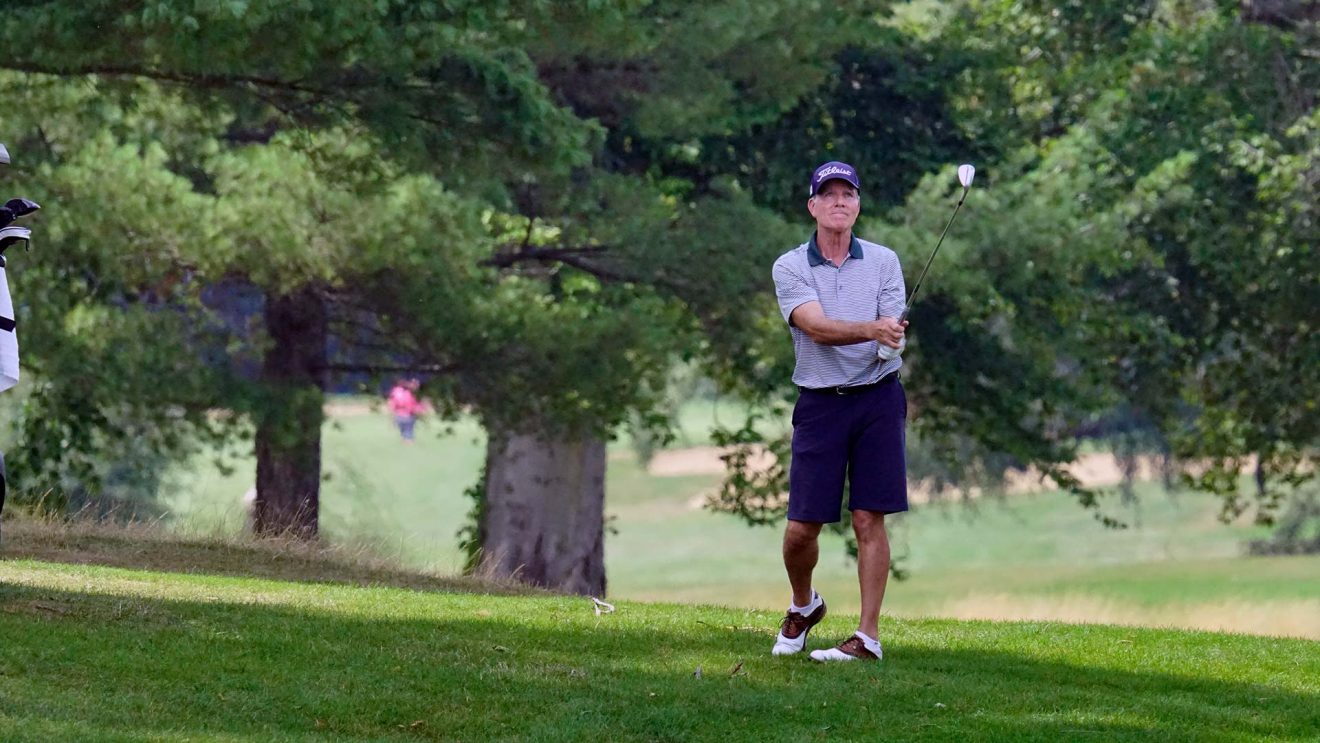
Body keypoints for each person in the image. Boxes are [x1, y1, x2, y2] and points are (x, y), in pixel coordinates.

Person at [768, 161, 909, 662]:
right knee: (802, 526)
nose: (839, 202)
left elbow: (891, 338)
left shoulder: (885, 262)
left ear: (858, 205)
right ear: (812, 206)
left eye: (847, 194)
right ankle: (804, 606)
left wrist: (887, 338)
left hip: (878, 399)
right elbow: (816, 327)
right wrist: (873, 331)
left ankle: (867, 638)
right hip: (820, 403)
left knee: (870, 518)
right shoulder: (790, 266)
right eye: (828, 195)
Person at [386, 378, 425, 443]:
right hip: (408, 416)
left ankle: (405, 443)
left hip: (398, 416)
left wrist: (392, 419)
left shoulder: (395, 391)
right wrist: (421, 410)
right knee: (408, 436)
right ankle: (409, 446)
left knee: (404, 434)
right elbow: (414, 407)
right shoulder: (410, 394)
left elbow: (392, 404)